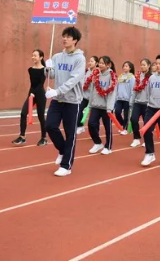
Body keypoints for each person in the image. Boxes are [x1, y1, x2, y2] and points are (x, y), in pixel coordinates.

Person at [44, 27, 86, 177]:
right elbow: (52, 75)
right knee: (49, 126)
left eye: (68, 37)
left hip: (72, 102)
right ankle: (62, 151)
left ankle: (66, 166)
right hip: (57, 100)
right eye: (63, 36)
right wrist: (47, 68)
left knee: (70, 134)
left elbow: (74, 80)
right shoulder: (57, 56)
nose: (64, 39)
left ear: (75, 40)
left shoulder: (80, 59)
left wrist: (57, 91)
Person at [12, 49, 48, 147]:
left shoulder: (44, 70)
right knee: (23, 113)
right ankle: (22, 137)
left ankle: (44, 138)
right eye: (32, 55)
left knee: (41, 116)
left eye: (35, 55)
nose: (33, 57)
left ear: (41, 57)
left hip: (40, 94)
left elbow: (40, 84)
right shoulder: (30, 69)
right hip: (31, 93)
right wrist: (31, 94)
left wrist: (34, 93)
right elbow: (33, 84)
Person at [84, 56, 117, 155]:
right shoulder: (96, 74)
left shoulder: (112, 76)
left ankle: (108, 147)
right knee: (91, 124)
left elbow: (112, 93)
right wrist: (90, 103)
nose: (100, 65)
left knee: (108, 128)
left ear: (108, 65)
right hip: (95, 105)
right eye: (100, 63)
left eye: (103, 63)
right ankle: (97, 143)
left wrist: (109, 108)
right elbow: (92, 90)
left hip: (106, 107)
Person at [129, 58, 152, 148]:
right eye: (141, 65)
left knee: (146, 123)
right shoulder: (137, 77)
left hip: (147, 104)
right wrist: (131, 101)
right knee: (133, 119)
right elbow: (134, 89)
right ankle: (136, 138)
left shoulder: (152, 77)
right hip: (137, 102)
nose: (142, 66)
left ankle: (147, 140)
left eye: (144, 65)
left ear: (148, 66)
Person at [76, 56, 98, 135]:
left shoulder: (98, 73)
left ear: (96, 63)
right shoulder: (86, 72)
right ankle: (80, 126)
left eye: (92, 61)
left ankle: (95, 131)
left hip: (94, 98)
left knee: (94, 115)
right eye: (89, 61)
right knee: (78, 110)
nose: (90, 63)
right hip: (84, 96)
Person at [114, 61, 135, 135]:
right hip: (119, 98)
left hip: (127, 99)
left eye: (126, 66)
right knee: (117, 112)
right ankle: (122, 124)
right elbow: (117, 87)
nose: (124, 67)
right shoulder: (120, 76)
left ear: (130, 68)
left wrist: (131, 99)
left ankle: (125, 128)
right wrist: (116, 97)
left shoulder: (132, 77)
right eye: (124, 66)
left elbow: (133, 89)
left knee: (126, 115)